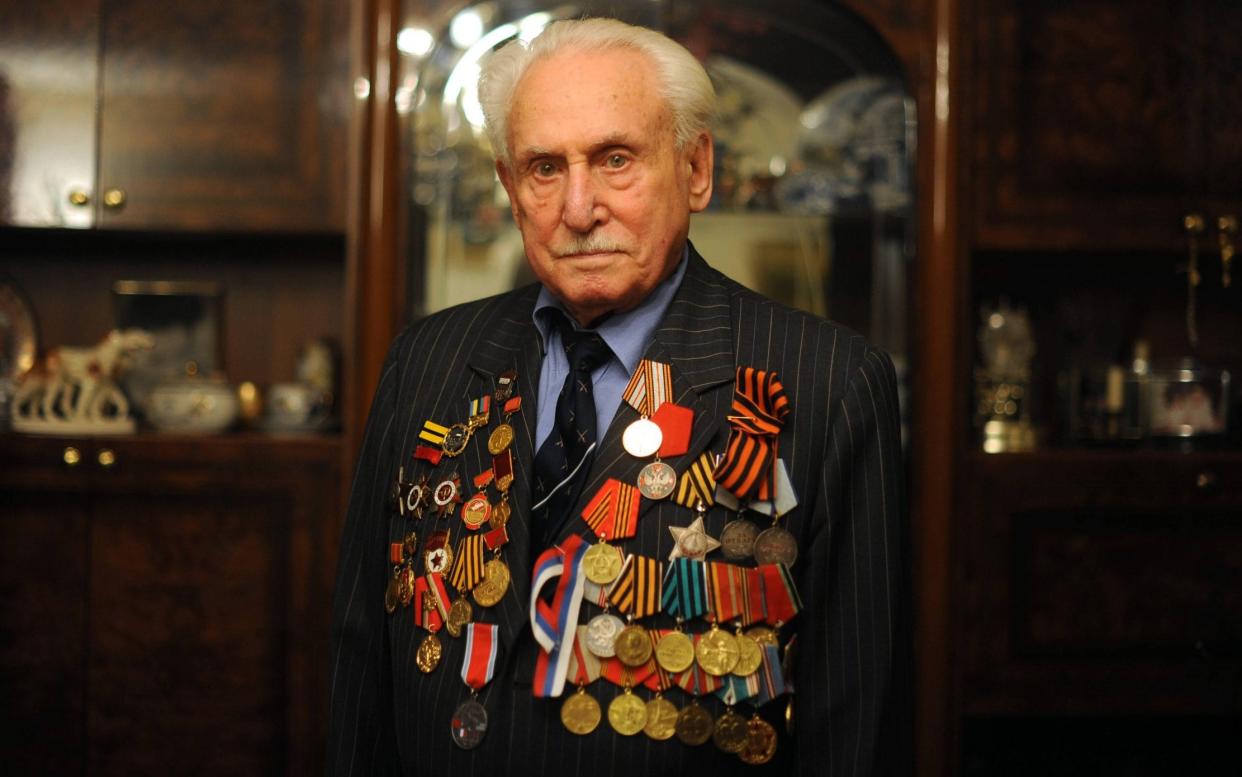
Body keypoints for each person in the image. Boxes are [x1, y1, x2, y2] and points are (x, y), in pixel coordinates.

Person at [328, 17, 910, 776]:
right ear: (508, 187)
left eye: (615, 160)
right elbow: (360, 663)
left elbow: (852, 727)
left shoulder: (829, 384)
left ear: (697, 169)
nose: (578, 207)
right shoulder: (424, 360)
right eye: (544, 168)